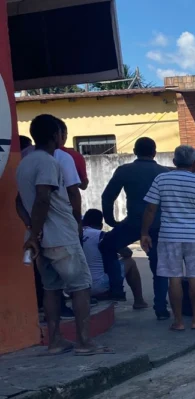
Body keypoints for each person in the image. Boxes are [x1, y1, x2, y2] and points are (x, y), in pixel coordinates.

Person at [18, 114, 109, 356]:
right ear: (56, 135)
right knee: (80, 286)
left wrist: (32, 232)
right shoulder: (49, 162)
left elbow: (19, 202)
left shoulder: (24, 162)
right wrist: (35, 232)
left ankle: (55, 341)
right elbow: (43, 197)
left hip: (40, 238)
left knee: (51, 288)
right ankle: (83, 341)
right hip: (60, 236)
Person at [140, 145, 195, 331]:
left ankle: (178, 321)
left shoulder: (161, 179)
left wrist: (144, 233)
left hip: (169, 236)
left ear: (174, 162)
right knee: (194, 277)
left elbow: (151, 209)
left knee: (173, 278)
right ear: (194, 163)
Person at [100, 137, 171, 319]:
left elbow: (108, 197)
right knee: (159, 267)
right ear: (154, 152)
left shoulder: (125, 170)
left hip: (133, 223)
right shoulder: (164, 172)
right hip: (158, 224)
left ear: (134, 151)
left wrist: (111, 221)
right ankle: (161, 308)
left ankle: (116, 288)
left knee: (106, 245)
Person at [81, 209, 148, 308]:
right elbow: (128, 253)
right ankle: (138, 301)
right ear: (101, 224)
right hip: (98, 286)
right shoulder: (101, 235)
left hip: (77, 288)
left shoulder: (76, 235)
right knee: (130, 262)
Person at [54, 118, 88, 190]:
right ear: (61, 135)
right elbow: (83, 185)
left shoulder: (27, 156)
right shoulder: (74, 156)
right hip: (68, 199)